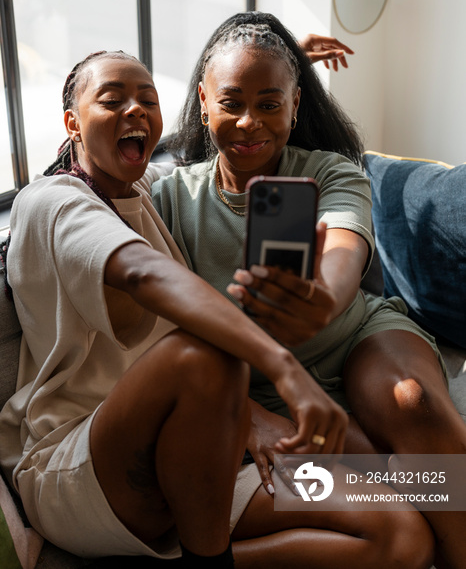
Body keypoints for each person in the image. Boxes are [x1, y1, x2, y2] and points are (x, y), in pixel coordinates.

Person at [0, 50, 433, 569]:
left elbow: (231, 130)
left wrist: (281, 58)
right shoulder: (53, 200)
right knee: (202, 354)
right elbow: (144, 273)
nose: (135, 110)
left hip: (188, 463)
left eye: (148, 100)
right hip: (79, 469)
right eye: (113, 100)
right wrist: (283, 369)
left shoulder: (146, 191)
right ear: (72, 122)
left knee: (401, 532)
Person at [151, 11, 466, 569]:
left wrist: (325, 295)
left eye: (270, 105)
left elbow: (345, 247)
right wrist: (248, 415)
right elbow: (157, 340)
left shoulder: (331, 172)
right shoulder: (171, 199)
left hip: (357, 335)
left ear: (296, 107)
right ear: (203, 101)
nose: (250, 123)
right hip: (259, 393)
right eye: (232, 103)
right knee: (404, 504)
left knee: (412, 403)